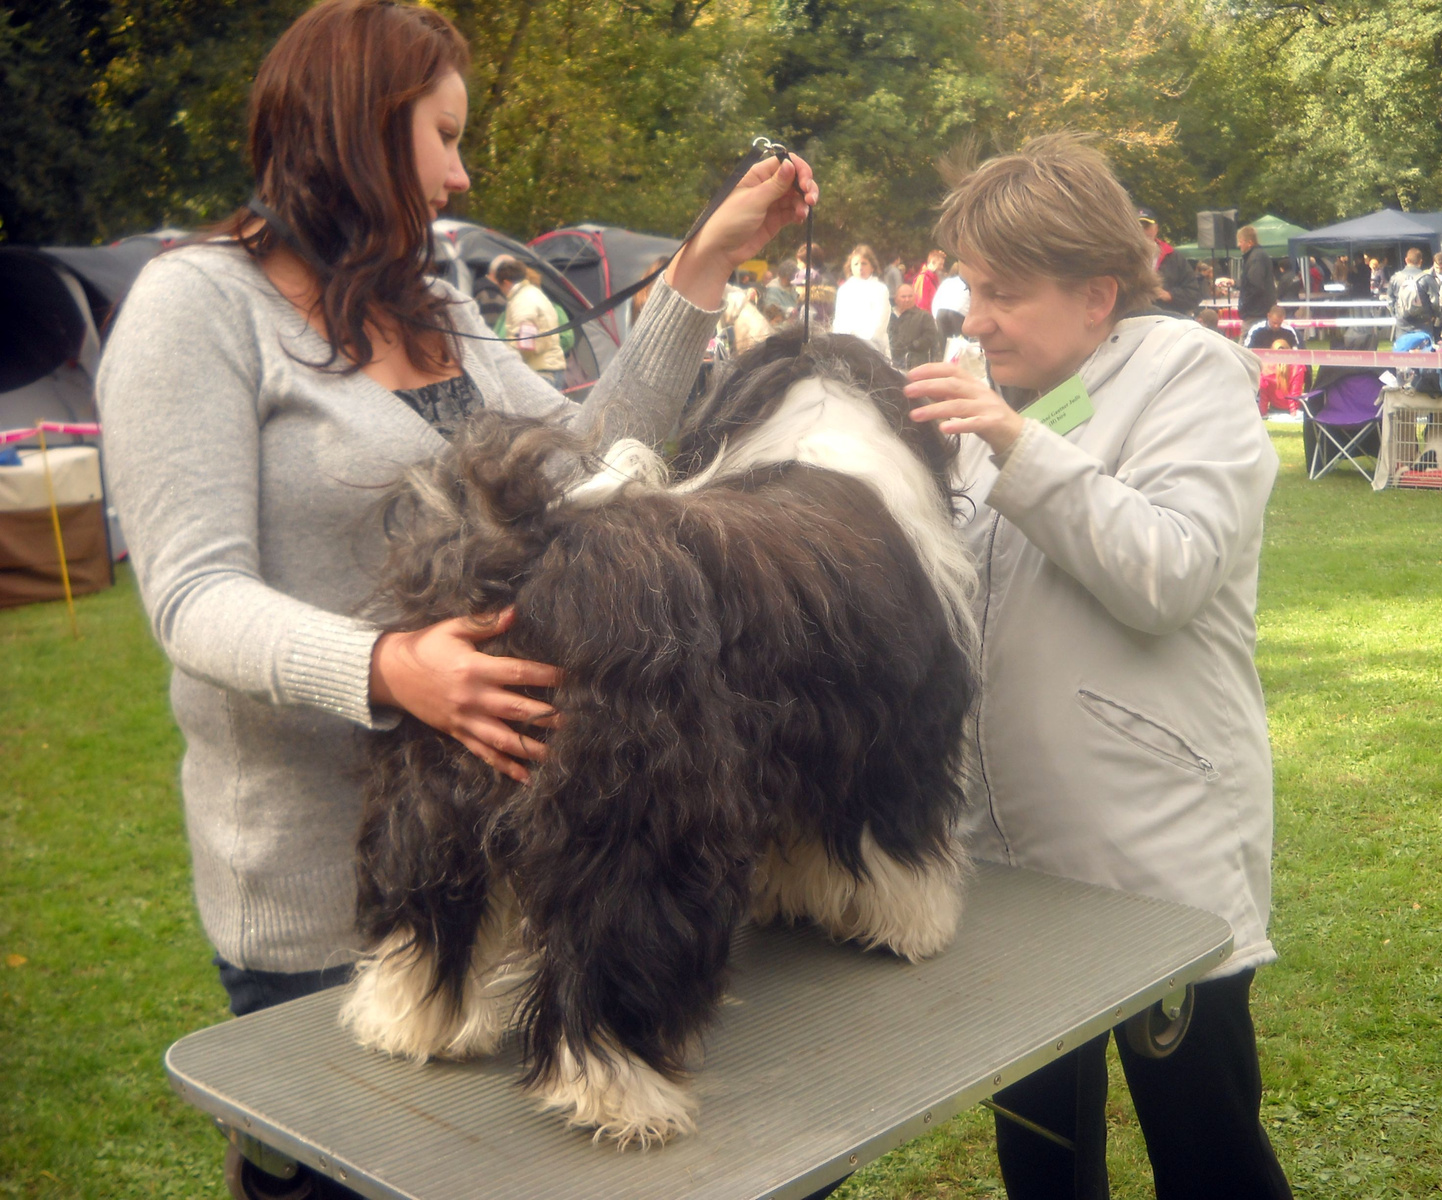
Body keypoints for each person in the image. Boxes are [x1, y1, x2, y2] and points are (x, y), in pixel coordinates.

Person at [97, 0, 815, 1067]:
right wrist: (390, 668)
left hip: (497, 876)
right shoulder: (191, 308)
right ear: (355, 126)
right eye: (444, 135)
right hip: (319, 899)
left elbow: (579, 455)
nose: (461, 175)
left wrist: (703, 261)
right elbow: (192, 599)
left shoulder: (432, 301)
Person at [902, 133, 1290, 1200]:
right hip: (1008, 870)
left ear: (1097, 294)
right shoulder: (1015, 401)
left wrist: (1014, 450)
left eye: (1002, 294)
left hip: (1150, 873)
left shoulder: (1189, 370)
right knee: (1041, 1162)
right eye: (971, 290)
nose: (973, 319)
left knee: (1206, 1155)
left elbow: (1168, 571)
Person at [495, 257, 567, 390]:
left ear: (505, 283)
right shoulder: (534, 294)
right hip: (551, 368)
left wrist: (505, 363)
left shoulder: (522, 302)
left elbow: (525, 343)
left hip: (540, 372)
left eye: (500, 286)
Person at [1136, 207, 1201, 317]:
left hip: (1167, 323)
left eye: (1146, 226)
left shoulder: (1174, 257)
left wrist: (1170, 295)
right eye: (1137, 227)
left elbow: (1194, 294)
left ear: (1156, 229)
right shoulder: (1123, 257)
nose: (1142, 231)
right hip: (1133, 322)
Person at [831, 243, 892, 355]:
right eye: (856, 264)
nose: (860, 267)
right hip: (848, 348)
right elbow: (839, 320)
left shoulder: (880, 289)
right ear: (850, 267)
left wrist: (864, 343)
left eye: (864, 263)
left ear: (872, 266)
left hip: (874, 348)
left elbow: (881, 320)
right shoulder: (844, 290)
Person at [889, 281, 941, 369]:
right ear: (895, 299)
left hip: (915, 365)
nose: (907, 299)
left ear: (915, 298)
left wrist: (913, 345)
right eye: (903, 297)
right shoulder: (888, 316)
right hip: (891, 364)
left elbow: (931, 338)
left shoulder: (924, 316)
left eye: (910, 296)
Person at [1388, 247, 1436, 340]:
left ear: (1406, 260)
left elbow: (1390, 299)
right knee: (1424, 351)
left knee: (1403, 351)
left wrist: (1396, 313)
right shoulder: (1427, 278)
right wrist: (1433, 315)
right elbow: (1436, 302)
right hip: (1423, 321)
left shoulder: (1395, 278)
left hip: (1402, 321)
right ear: (1420, 261)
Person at [1235, 224, 1277, 328]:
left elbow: (1255, 286)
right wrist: (1234, 282)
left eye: (1240, 241)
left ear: (1249, 243)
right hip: (1259, 312)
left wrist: (1245, 306)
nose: (1238, 245)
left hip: (1255, 314)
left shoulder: (1255, 258)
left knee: (1245, 343)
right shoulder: (1257, 256)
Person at [931, 261, 972, 341]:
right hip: (959, 312)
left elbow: (937, 298)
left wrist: (935, 315)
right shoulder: (967, 282)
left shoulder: (946, 282)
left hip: (940, 311)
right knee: (961, 343)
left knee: (944, 344)